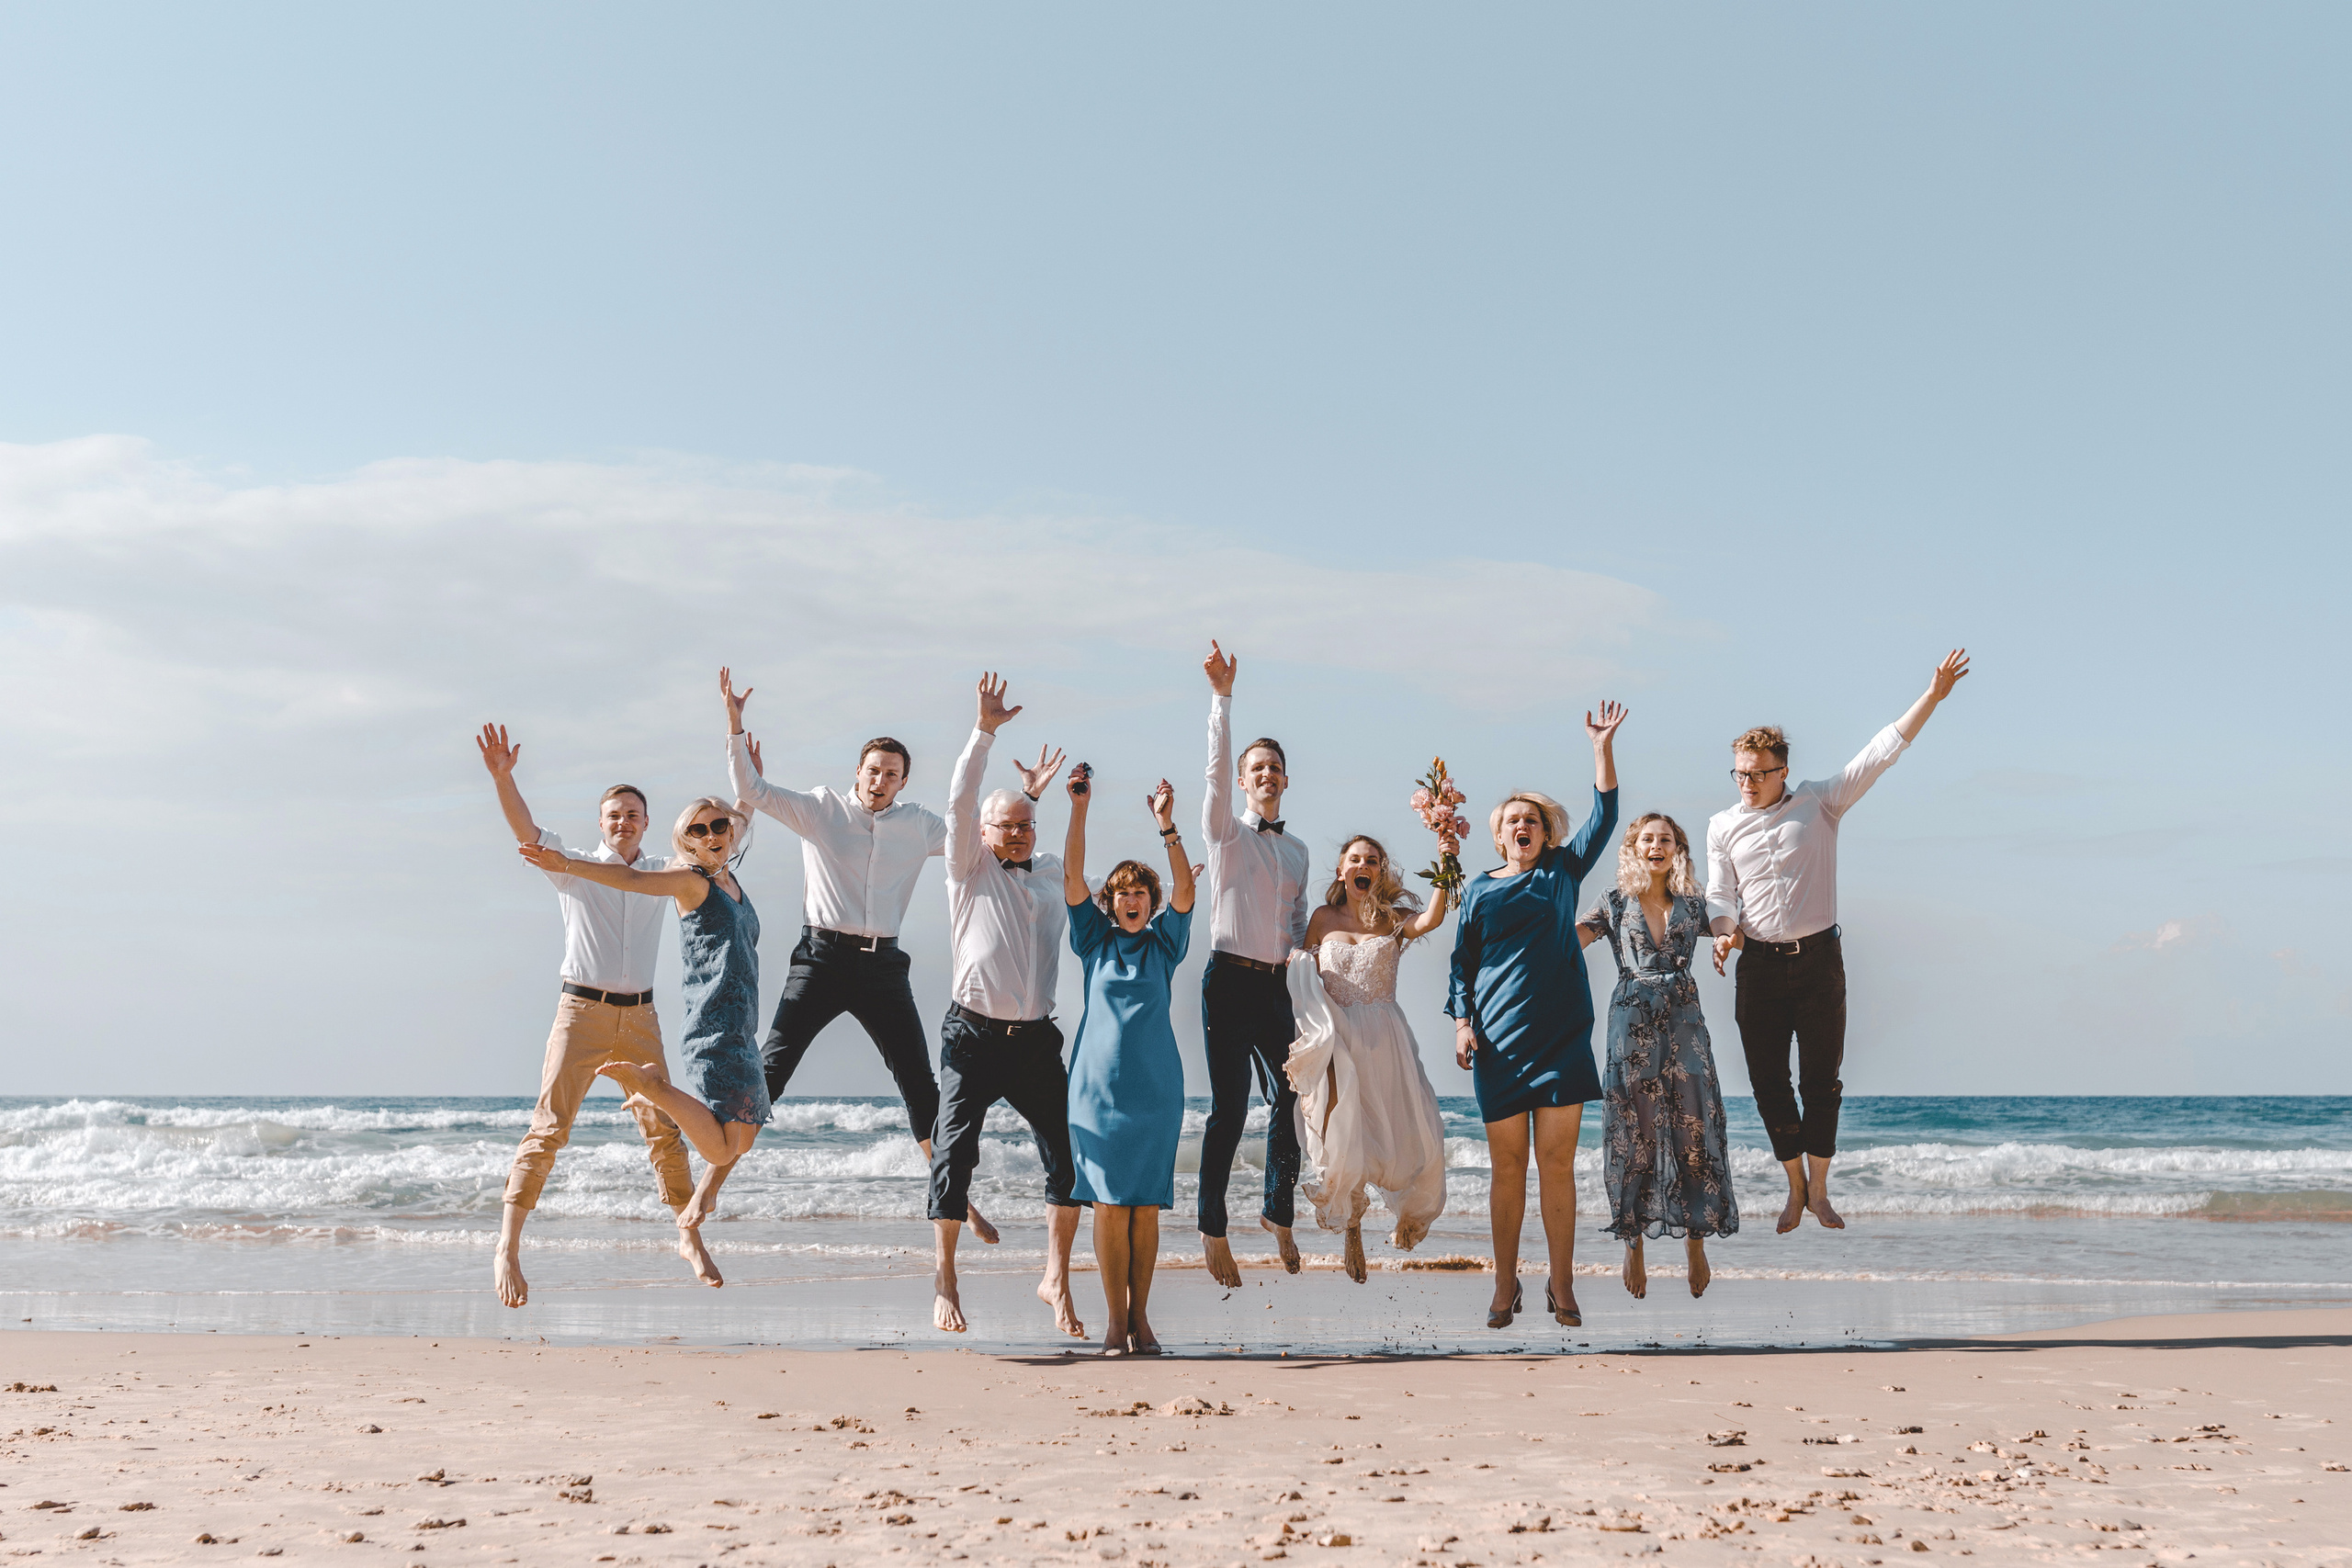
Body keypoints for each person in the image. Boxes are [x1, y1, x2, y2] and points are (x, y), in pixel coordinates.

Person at [715, 667, 995, 1240]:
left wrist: (1029, 793)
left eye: (891, 775)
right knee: (771, 1071)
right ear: (859, 773)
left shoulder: (919, 826)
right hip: (819, 960)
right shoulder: (821, 810)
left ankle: (956, 1197)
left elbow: (978, 839)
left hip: (883, 967)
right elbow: (754, 793)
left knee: (920, 1082)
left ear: (902, 782)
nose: (880, 781)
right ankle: (709, 1189)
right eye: (873, 771)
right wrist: (736, 726)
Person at [1706, 649, 1971, 1235]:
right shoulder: (1723, 825)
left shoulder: (1820, 801)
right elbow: (1719, 896)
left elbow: (1881, 752)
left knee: (1822, 1081)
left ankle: (1820, 1187)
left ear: (1781, 771)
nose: (1746, 783)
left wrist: (1932, 695)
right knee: (1768, 1082)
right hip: (1759, 968)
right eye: (1738, 773)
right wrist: (1724, 936)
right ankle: (1793, 1184)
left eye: (1756, 773)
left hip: (1820, 962)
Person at [476, 724, 714, 1308]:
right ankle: (507, 1247)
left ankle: (689, 1235)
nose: (622, 822)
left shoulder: (664, 870)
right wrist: (505, 779)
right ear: (601, 821)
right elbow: (527, 832)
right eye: (613, 815)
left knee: (663, 1127)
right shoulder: (574, 866)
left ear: (647, 823)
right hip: (581, 1010)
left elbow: (720, 836)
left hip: (640, 1019)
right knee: (550, 1127)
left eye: (632, 814)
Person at [1446, 702, 1626, 1330]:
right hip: (1497, 1042)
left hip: (1560, 1039)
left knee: (1555, 1165)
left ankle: (1563, 1281)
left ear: (1545, 832)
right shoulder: (1478, 889)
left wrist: (1600, 748)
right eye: (1512, 820)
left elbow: (1605, 815)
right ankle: (1503, 1284)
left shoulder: (1560, 870)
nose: (1522, 826)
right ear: (1498, 835)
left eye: (1532, 820)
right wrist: (1461, 1023)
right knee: (1506, 1171)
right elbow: (1461, 963)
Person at [927, 672, 1088, 1340]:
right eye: (1007, 826)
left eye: (1025, 824)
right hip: (971, 1034)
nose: (1017, 834)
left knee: (1065, 1158)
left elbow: (1102, 890)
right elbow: (962, 800)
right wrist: (985, 732)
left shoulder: (1051, 870)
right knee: (955, 1151)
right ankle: (945, 1275)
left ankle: (1056, 1276)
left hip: (1036, 1041)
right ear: (986, 833)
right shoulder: (967, 867)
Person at [520, 799, 773, 1185]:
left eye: (718, 826)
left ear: (731, 830)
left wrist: (744, 766)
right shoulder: (691, 881)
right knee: (721, 1149)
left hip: (744, 1026)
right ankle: (653, 1086)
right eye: (697, 831)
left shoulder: (731, 882)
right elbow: (633, 881)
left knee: (741, 1143)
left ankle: (656, 1094)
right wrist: (568, 866)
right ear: (687, 842)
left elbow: (742, 810)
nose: (711, 835)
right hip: (714, 1025)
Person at [1577, 814, 1739, 1301]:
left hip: (1685, 1023)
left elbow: (1735, 927)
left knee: (1695, 1125)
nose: (1656, 845)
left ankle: (1696, 1241)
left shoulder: (1694, 903)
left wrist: (1729, 940)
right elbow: (1568, 940)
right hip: (1630, 1024)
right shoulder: (1612, 900)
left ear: (1677, 849)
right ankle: (1633, 1244)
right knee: (1635, 1129)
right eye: (1647, 838)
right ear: (1633, 847)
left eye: (1664, 839)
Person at [1063, 768, 1196, 1357]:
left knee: (1145, 1205)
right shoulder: (1093, 940)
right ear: (1109, 903)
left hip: (1156, 1089)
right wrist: (1080, 809)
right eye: (1122, 892)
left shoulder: (1166, 943)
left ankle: (1141, 1319)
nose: (1132, 899)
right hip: (1095, 1091)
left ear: (1151, 900)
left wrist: (1167, 827)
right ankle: (1115, 1323)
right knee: (1109, 1204)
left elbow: (1188, 891)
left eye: (1141, 891)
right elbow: (1070, 877)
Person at [1284, 836, 1453, 1284]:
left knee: (1405, 1127)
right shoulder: (1322, 918)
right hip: (1338, 1038)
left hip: (1386, 1038)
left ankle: (1407, 1213)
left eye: (1372, 861)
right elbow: (1300, 975)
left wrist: (1446, 857)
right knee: (1345, 1130)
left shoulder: (1394, 921)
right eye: (1355, 859)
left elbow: (1434, 918)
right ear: (1342, 870)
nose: (1364, 865)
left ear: (1381, 871)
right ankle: (1353, 1227)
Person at [1195, 639, 1310, 1287]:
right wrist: (1222, 698)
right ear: (1245, 781)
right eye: (1256, 767)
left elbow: (1294, 924)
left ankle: (1276, 1209)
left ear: (1287, 780)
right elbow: (1211, 775)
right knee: (1229, 1107)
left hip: (1276, 990)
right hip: (1227, 982)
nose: (1266, 774)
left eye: (1275, 767)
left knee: (1290, 1094)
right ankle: (1213, 1225)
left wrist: (1305, 955)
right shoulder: (1227, 833)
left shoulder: (1296, 852)